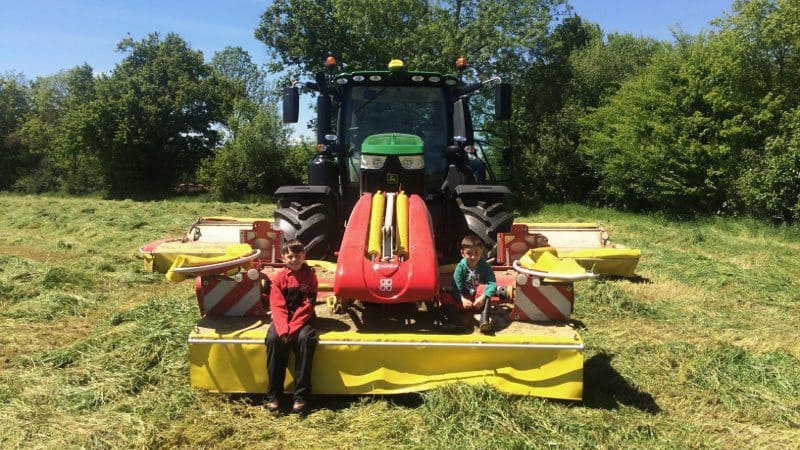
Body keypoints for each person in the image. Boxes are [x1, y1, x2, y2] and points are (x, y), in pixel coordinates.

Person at [265, 239, 318, 414]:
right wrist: (283, 330)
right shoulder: (279, 278)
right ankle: (274, 396)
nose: (294, 259)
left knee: (305, 339)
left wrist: (293, 329)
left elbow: (307, 306)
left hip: (304, 320)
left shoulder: (310, 277)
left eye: (297, 255)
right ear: (283, 258)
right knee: (273, 339)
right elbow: (277, 305)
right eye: (290, 256)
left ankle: (301, 397)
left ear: (304, 256)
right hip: (283, 320)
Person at [446, 235, 497, 333]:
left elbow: (492, 284)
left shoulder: (485, 267)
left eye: (476, 252)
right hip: (464, 301)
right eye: (469, 253)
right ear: (462, 253)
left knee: (485, 288)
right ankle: (452, 321)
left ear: (482, 251)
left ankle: (484, 320)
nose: (473, 256)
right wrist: (462, 299)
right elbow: (456, 286)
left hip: (478, 302)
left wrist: (483, 297)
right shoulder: (460, 267)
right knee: (445, 294)